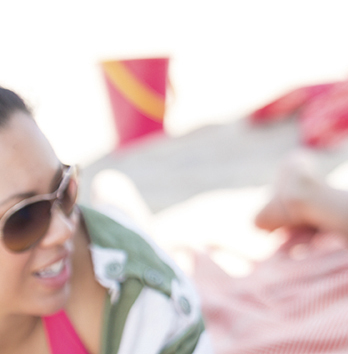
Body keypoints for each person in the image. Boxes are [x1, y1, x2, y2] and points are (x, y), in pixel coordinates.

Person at [0, 86, 212, 354]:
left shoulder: (140, 307)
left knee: (125, 228)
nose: (63, 230)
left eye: (64, 189)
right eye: (23, 217)